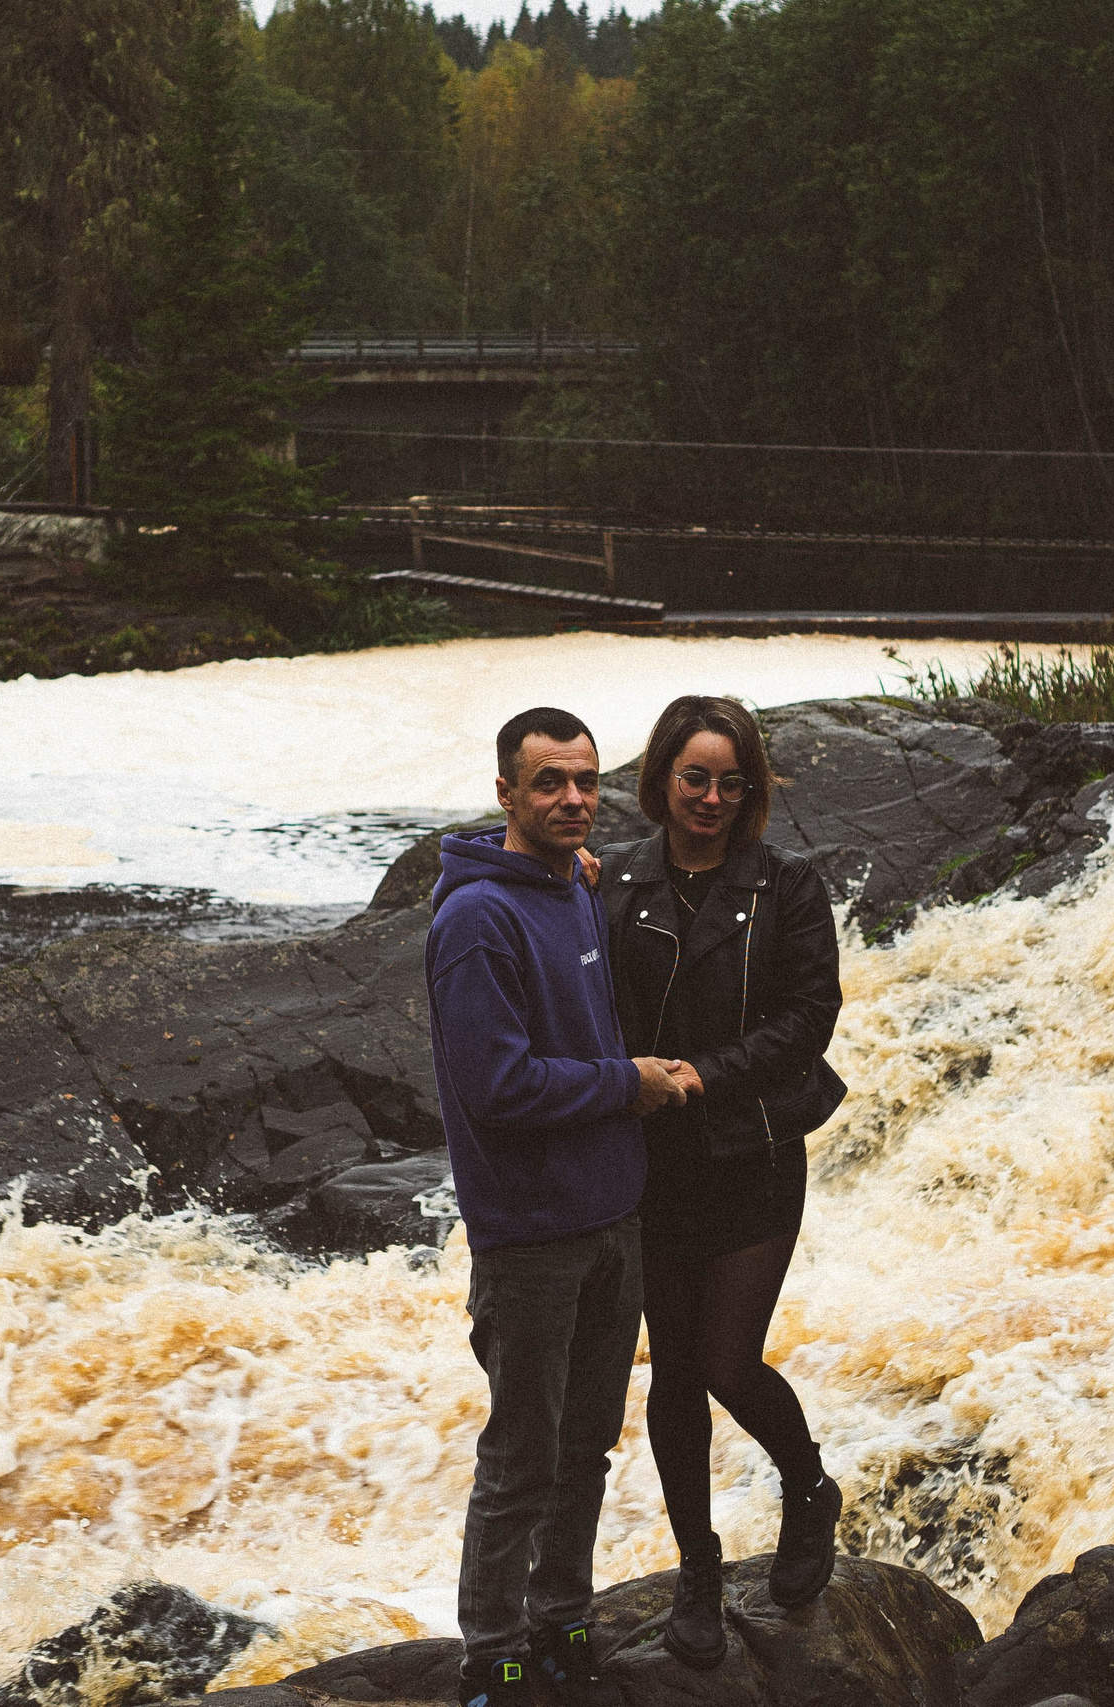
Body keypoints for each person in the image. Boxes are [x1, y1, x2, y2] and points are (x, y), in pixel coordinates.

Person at [428, 706, 694, 1707]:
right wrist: (628, 1085)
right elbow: (498, 1088)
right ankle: (491, 1649)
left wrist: (575, 874)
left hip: (608, 1218)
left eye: (585, 780)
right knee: (521, 1455)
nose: (572, 800)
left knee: (584, 1444)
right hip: (530, 1233)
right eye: (548, 783)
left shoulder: (568, 885)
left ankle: (562, 1616)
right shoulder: (475, 922)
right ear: (505, 794)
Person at [596, 694, 847, 1668]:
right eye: (692, 777)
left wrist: (705, 1074)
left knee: (725, 1364)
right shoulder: (613, 882)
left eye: (727, 781)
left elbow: (808, 1015)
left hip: (751, 1150)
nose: (708, 796)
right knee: (671, 1379)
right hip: (651, 1163)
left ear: (748, 792)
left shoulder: (786, 888)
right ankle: (697, 1570)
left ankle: (808, 1487)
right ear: (661, 777)